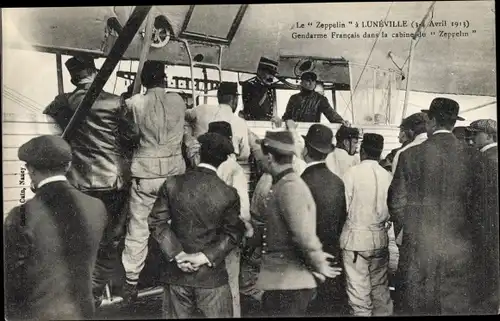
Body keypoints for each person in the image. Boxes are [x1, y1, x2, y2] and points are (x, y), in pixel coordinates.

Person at [42, 54, 129, 304]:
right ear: (94, 72)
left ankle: (80, 290)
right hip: (113, 181)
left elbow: (50, 119)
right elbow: (131, 136)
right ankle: (96, 291)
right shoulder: (115, 102)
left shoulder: (63, 102)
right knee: (110, 236)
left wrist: (68, 140)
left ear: (73, 77)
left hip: (79, 180)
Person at [387, 98, 476, 315]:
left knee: (415, 305)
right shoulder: (473, 156)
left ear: (432, 121)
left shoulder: (410, 155)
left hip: (419, 249)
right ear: (453, 123)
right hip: (457, 251)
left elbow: (396, 202)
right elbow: (478, 207)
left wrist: (407, 236)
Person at [5, 135, 107, 320]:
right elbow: (104, 260)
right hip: (83, 312)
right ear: (67, 166)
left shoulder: (21, 215)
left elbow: (11, 279)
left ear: (31, 169)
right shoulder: (97, 207)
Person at [148, 132, 245, 318]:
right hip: (212, 279)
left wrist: (178, 254)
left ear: (198, 154)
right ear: (223, 161)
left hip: (176, 276)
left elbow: (157, 221)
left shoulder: (172, 183)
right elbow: (233, 233)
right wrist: (204, 257)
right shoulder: (229, 193)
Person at [120, 60, 193, 302]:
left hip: (145, 173)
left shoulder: (133, 103)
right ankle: (184, 270)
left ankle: (131, 283)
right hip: (174, 173)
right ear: (164, 79)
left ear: (144, 81)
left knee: (138, 228)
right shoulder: (179, 101)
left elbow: (128, 135)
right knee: (176, 225)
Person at [253, 130, 343, 317]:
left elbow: (303, 235)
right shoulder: (286, 183)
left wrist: (319, 265)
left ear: (269, 157)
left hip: (289, 283)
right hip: (283, 280)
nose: (258, 159)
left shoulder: (290, 186)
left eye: (261, 154)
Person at [340, 133, 394, 316]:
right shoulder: (387, 176)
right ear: (379, 153)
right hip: (380, 238)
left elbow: (343, 207)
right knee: (380, 288)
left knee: (359, 293)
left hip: (356, 240)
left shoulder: (351, 173)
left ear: (362, 151)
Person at [300, 124, 349, 316]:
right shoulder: (337, 182)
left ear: (305, 148)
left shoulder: (300, 182)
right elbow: (341, 219)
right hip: (333, 257)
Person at [208, 121, 253, 317]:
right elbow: (243, 207)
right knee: (231, 286)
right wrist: (246, 231)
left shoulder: (207, 166)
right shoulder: (234, 168)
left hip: (208, 237)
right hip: (229, 236)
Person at [467, 119, 499, 314]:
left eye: (475, 134)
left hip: (483, 228)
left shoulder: (484, 160)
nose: (471, 139)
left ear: (488, 135)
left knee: (484, 278)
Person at [185, 81, 250, 161]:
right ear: (235, 100)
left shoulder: (202, 109)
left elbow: (182, 115)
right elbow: (245, 154)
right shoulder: (240, 123)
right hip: (226, 166)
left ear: (218, 97)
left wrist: (189, 138)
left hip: (201, 162)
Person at [282, 71, 348, 124]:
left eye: (313, 81)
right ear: (301, 83)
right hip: (295, 130)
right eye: (308, 80)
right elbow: (286, 117)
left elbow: (331, 114)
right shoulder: (294, 98)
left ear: (315, 83)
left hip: (312, 132)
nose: (311, 83)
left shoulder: (320, 99)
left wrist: (341, 121)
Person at [241, 56, 279, 121]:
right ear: (259, 71)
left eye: (273, 74)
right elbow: (252, 109)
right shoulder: (250, 86)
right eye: (269, 73)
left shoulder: (267, 87)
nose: (271, 77)